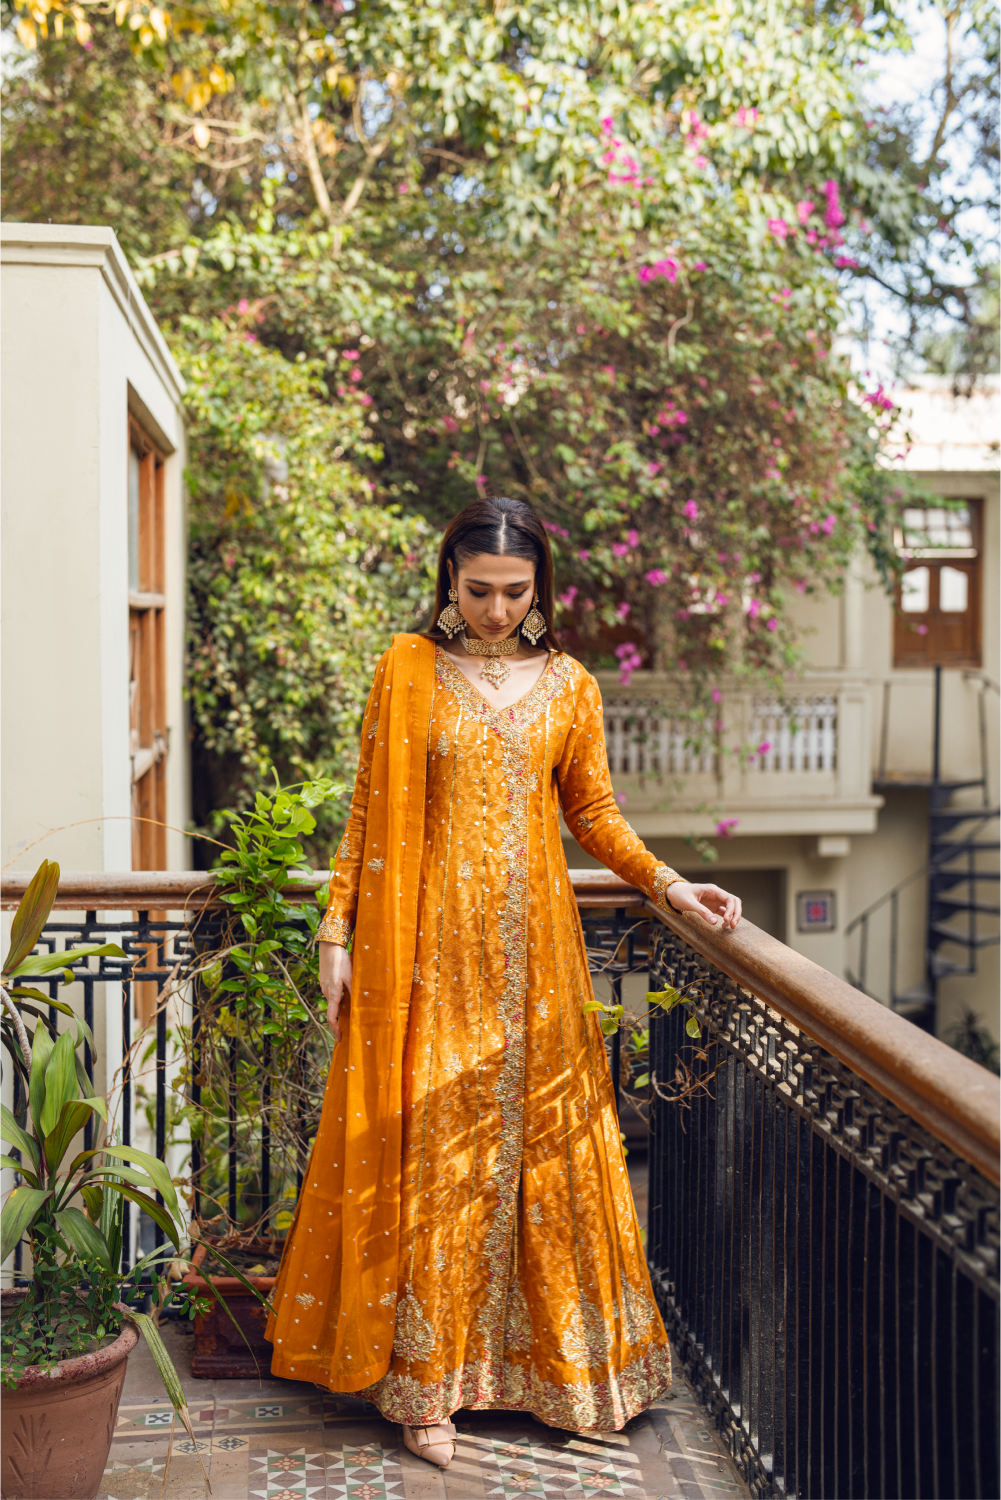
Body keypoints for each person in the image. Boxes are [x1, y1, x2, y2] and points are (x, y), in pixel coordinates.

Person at [264, 497, 741, 1465]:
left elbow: (593, 813)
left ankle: (561, 1375)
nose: (493, 609)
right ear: (449, 578)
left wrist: (666, 883)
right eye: (477, 589)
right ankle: (425, 1392)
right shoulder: (406, 670)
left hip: (535, 961)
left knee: (544, 1156)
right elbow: (365, 812)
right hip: (425, 960)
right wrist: (334, 930)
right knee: (435, 1161)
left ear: (539, 588)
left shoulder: (569, 684)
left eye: (514, 592)